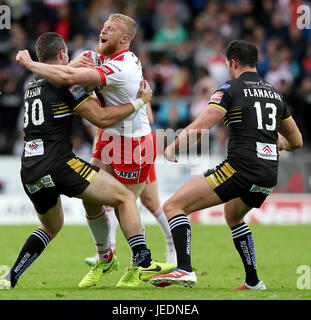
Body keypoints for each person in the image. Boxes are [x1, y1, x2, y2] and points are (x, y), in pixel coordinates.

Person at [14, 14, 176, 288]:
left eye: (109, 29)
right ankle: (107, 258)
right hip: (108, 137)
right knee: (92, 197)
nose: (102, 31)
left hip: (134, 143)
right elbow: (72, 75)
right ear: (63, 54)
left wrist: (31, 64)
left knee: (130, 202)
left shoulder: (119, 67)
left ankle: (141, 264)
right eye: (102, 27)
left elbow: (72, 80)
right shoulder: (107, 60)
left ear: (125, 39)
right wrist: (140, 103)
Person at [149, 40, 303, 289]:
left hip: (240, 168)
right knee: (233, 215)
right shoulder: (275, 94)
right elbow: (296, 140)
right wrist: (280, 145)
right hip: (268, 173)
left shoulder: (230, 88)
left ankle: (184, 270)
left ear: (233, 63)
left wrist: (172, 146)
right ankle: (253, 281)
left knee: (174, 206)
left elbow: (201, 126)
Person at [84, 103, 177, 266]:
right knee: (109, 198)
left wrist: (117, 116)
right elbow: (100, 121)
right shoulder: (101, 86)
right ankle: (109, 252)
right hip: (111, 145)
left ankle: (173, 248)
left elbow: (148, 117)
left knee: (148, 202)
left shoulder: (133, 82)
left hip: (136, 147)